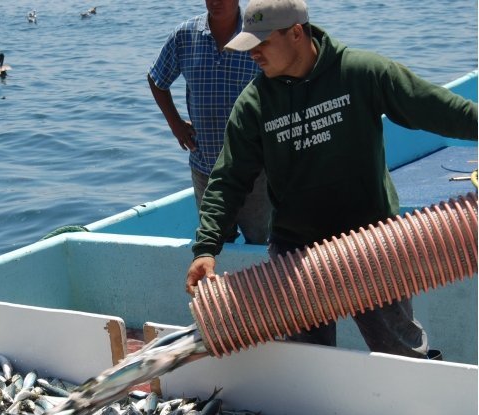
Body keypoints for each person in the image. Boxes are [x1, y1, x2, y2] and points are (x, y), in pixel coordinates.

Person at [185, 0, 477, 358]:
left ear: (296, 32)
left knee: (403, 355)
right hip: (298, 256)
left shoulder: (360, 72)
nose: (253, 55)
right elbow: (228, 179)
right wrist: (206, 248)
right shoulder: (254, 104)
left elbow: (439, 109)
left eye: (261, 44)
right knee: (310, 366)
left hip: (373, 243)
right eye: (249, 45)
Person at [148, 0, 271, 244]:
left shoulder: (258, 34)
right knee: (215, 245)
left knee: (261, 244)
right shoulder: (185, 36)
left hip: (254, 170)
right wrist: (175, 125)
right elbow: (157, 80)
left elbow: (286, 85)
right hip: (206, 167)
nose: (216, 1)